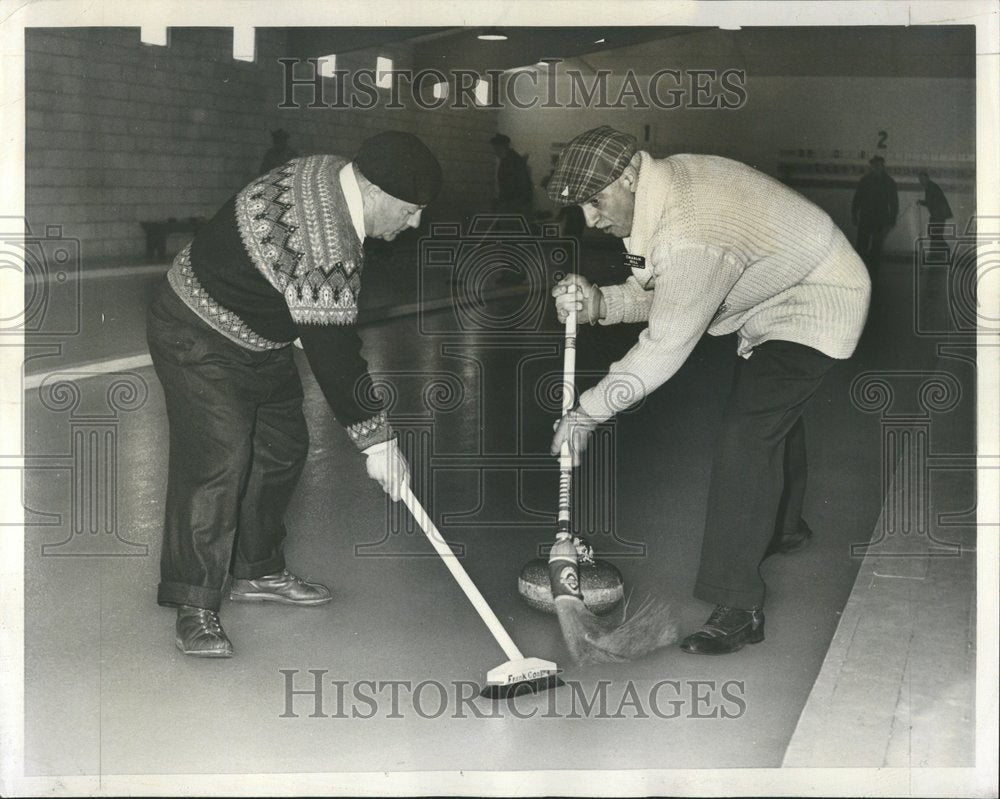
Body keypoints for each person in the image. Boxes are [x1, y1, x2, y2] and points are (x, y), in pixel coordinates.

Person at [546, 126, 870, 655]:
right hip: (769, 301)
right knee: (767, 418)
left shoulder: (691, 226)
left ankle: (739, 607)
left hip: (818, 300)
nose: (591, 219)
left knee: (748, 431)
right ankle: (784, 527)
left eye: (596, 201)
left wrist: (586, 413)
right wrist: (601, 302)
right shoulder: (660, 193)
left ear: (628, 175)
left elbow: (667, 341)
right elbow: (664, 289)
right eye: (580, 206)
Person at [146, 131, 442, 657]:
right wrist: (378, 443)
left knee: (282, 448)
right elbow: (334, 353)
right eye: (411, 210)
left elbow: (311, 307)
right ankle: (194, 604)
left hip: (260, 333)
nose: (415, 223)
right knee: (218, 461)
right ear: (373, 191)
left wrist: (306, 317)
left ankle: (257, 572)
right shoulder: (327, 243)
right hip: (194, 328)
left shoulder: (331, 168)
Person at [851, 155, 899, 275]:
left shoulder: (889, 182)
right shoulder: (865, 181)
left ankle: (872, 273)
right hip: (866, 217)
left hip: (880, 219)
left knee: (876, 248)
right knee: (862, 246)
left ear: (883, 167)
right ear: (871, 167)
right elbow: (857, 198)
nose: (876, 167)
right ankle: (860, 272)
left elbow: (894, 203)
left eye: (878, 165)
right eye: (874, 165)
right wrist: (854, 213)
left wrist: (891, 221)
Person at [490, 133, 534, 217]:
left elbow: (518, 185)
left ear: (503, 147)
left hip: (513, 204)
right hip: (513, 203)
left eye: (496, 150)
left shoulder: (512, 162)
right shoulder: (510, 160)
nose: (495, 153)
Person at [917, 170, 953, 261]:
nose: (921, 181)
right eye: (920, 179)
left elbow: (929, 202)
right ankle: (937, 254)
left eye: (922, 179)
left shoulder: (930, 187)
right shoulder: (930, 186)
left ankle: (940, 253)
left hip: (938, 215)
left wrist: (920, 202)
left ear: (927, 178)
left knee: (935, 234)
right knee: (935, 235)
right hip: (939, 214)